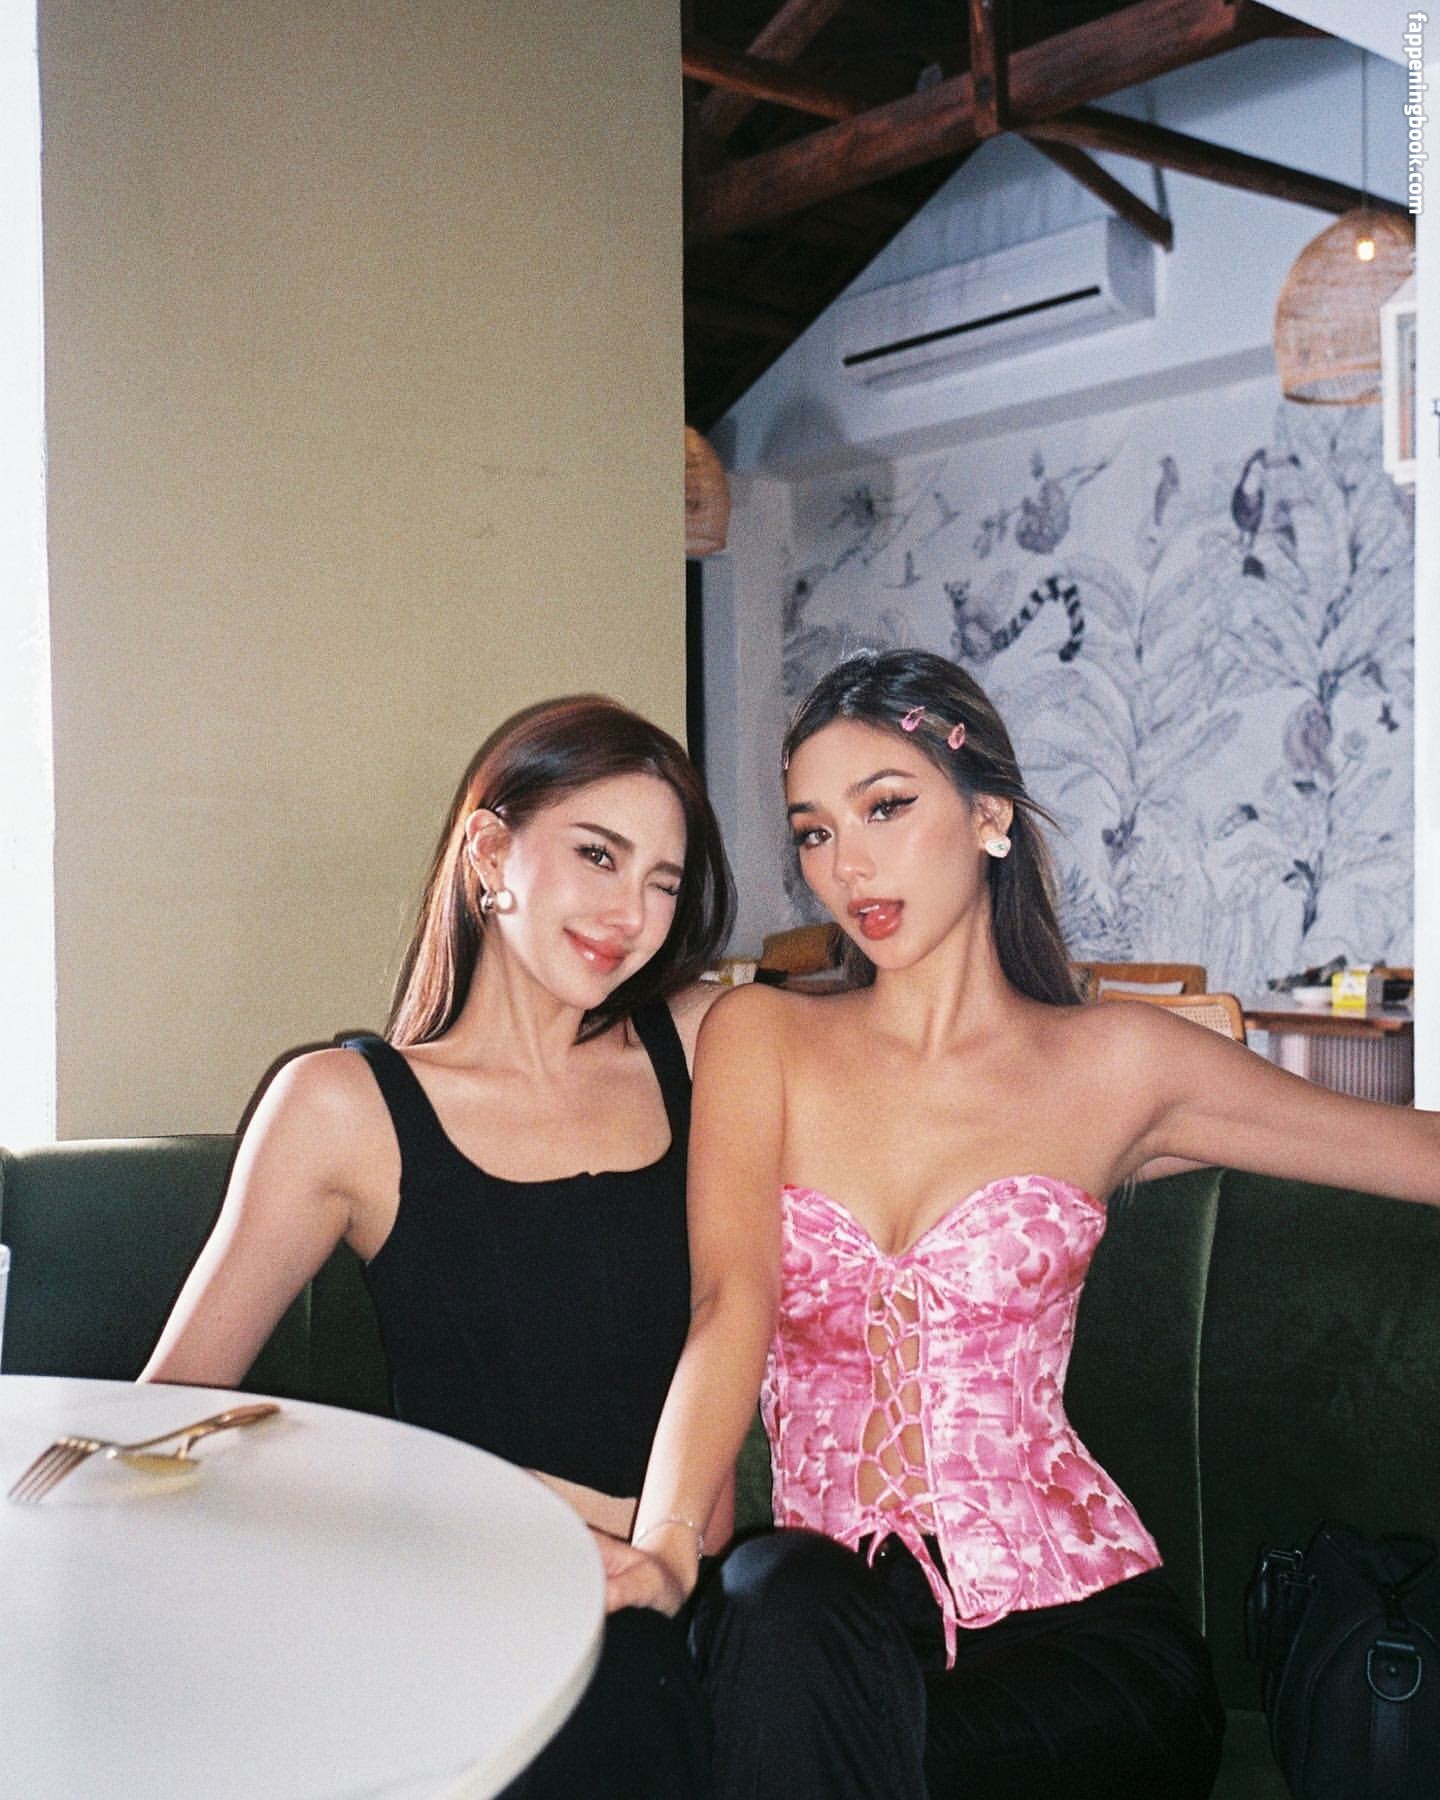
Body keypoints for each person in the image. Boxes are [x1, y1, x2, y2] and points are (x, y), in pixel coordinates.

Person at [604, 648, 1440, 1800]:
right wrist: (664, 1544)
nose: (848, 866)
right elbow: (728, 1304)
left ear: (989, 813)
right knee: (773, 1599)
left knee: (784, 1739)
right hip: (831, 1631)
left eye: (886, 807)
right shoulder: (764, 1038)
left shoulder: (1117, 1063)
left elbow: (1413, 1153)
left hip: (1081, 1647)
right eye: (814, 832)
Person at [143, 693, 735, 1799]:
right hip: (474, 1594)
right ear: (490, 854)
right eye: (597, 854)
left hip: (698, 1596)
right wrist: (418, 1499)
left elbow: (908, 1047)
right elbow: (166, 1414)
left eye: (663, 881)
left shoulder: (704, 1043)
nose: (632, 912)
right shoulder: (342, 1104)